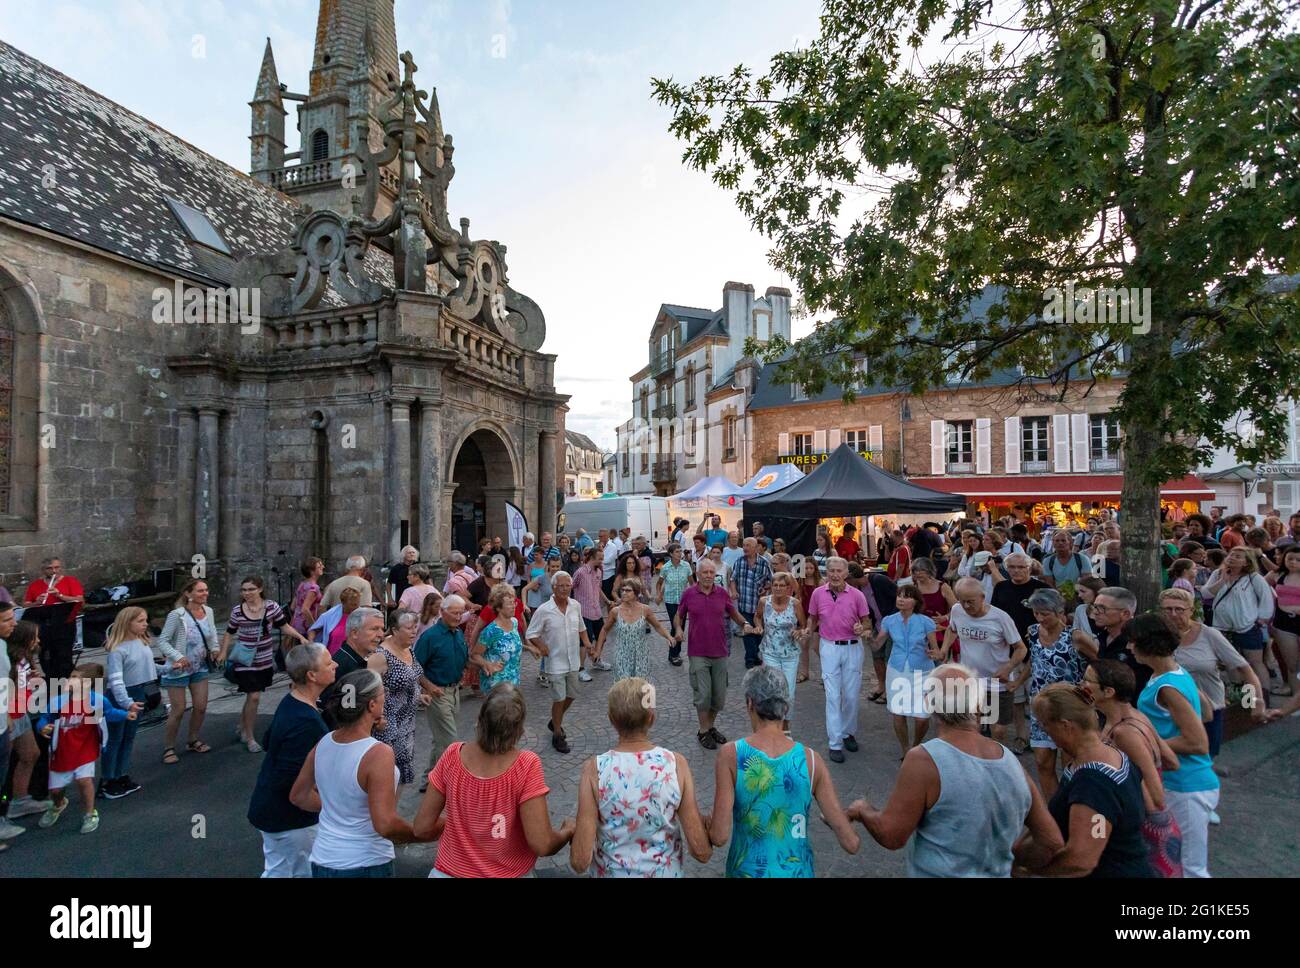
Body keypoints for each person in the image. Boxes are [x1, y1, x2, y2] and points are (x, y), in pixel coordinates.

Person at [849, 664, 1061, 877]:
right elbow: (1051, 842)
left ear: (930, 702)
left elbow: (892, 835)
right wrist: (1010, 862)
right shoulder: (1011, 762)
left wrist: (862, 810)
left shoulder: (923, 759)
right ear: (978, 705)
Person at [710, 666, 860, 876]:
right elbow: (851, 843)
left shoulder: (732, 755)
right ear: (786, 707)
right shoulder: (811, 760)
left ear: (750, 703)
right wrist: (860, 812)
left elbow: (718, 836)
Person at [414, 684, 575, 877]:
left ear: (480, 719)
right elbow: (542, 844)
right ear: (520, 730)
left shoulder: (452, 755)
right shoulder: (526, 765)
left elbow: (422, 828)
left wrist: (462, 825)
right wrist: (568, 830)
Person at [570, 677, 712, 876]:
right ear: (651, 718)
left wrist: (571, 833)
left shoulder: (594, 769)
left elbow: (579, 861)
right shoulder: (675, 764)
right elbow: (701, 852)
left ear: (611, 719)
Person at [291, 669, 424, 877]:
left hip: (323, 858)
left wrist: (340, 807)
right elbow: (385, 824)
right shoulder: (378, 753)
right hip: (365, 861)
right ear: (372, 705)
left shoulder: (324, 742)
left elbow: (299, 796)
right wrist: (420, 833)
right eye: (383, 694)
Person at [1018, 682, 1155, 877]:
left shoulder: (1094, 785)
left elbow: (1082, 860)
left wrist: (1034, 871)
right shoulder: (1114, 753)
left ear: (1065, 726)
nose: (1044, 732)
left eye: (1045, 725)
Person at [1131, 612, 1218, 878]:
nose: (1129, 647)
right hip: (1184, 782)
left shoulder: (1167, 685)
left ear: (1147, 645)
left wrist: (1147, 745)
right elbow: (1206, 712)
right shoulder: (1175, 674)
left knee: (1190, 868)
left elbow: (1197, 742)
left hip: (1187, 785)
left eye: (1132, 641)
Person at [1085, 659, 1183, 877]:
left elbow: (1156, 797)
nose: (1082, 684)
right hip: (1160, 830)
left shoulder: (1124, 733)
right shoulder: (1138, 717)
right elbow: (1171, 761)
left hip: (1145, 834)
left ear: (1108, 691)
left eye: (1087, 680)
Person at [248, 643, 336, 877]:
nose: (335, 665)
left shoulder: (293, 701)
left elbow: (269, 743)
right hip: (289, 820)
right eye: (328, 663)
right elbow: (293, 786)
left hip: (276, 813)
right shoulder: (305, 722)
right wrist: (334, 808)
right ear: (312, 675)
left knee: (279, 871)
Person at [1161, 588, 1267, 760]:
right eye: (1168, 609)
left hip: (1208, 711)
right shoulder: (1157, 636)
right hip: (1169, 710)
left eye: (1179, 609)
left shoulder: (1209, 635)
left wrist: (1255, 700)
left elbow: (1244, 669)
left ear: (1191, 610)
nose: (1173, 614)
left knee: (1203, 759)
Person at [36, 663, 135, 836]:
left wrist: (125, 714)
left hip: (84, 749)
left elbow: (108, 713)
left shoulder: (96, 701)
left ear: (87, 684)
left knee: (84, 781)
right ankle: (58, 804)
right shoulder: (58, 702)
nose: (69, 680)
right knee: (56, 790)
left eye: (75, 677)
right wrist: (43, 727)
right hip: (62, 751)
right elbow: (44, 718)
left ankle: (89, 813)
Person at [220, 576, 309, 754]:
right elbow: (230, 632)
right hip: (245, 659)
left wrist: (300, 636)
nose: (247, 593)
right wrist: (223, 652)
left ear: (260, 589)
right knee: (254, 696)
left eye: (251, 589)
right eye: (244, 590)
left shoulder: (271, 607)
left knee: (251, 695)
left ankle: (243, 725)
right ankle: (250, 737)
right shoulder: (238, 610)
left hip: (264, 659)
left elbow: (283, 626)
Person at [673, 559, 753, 750]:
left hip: (720, 651)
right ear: (698, 574)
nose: (709, 576)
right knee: (703, 695)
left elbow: (733, 612)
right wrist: (678, 629)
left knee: (718, 696)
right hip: (698, 652)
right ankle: (703, 731)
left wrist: (745, 624)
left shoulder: (722, 593)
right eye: (705, 572)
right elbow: (679, 615)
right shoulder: (689, 594)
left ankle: (710, 727)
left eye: (712, 573)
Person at [940, 578, 1027, 744]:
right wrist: (944, 649)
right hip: (970, 681)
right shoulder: (957, 611)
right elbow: (952, 630)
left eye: (971, 602)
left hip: (997, 683)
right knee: (972, 726)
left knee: (999, 730)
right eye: (962, 601)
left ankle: (996, 760)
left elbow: (1021, 648)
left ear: (982, 597)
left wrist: (1008, 667)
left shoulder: (1000, 618)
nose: (966, 606)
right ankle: (977, 758)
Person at [806, 557, 873, 763]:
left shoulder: (857, 595)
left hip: (852, 647)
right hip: (829, 647)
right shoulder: (818, 593)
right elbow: (813, 617)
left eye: (838, 571)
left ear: (846, 574)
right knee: (833, 696)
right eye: (831, 570)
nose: (834, 574)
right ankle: (835, 743)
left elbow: (867, 621)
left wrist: (864, 628)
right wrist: (809, 629)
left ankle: (848, 733)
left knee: (851, 695)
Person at [1022, 588, 1087, 797]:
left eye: (1045, 614)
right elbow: (1034, 659)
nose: (1040, 618)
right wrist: (1019, 681)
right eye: (1036, 613)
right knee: (1041, 761)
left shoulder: (1075, 637)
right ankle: (1054, 808)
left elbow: (1095, 663)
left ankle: (1069, 806)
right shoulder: (1032, 631)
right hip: (1040, 703)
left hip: (1069, 705)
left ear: (1059, 612)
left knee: (1068, 763)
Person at [526, 572, 593, 754]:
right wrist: (541, 646)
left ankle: (554, 720)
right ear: (553, 588)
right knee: (559, 698)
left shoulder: (575, 606)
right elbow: (531, 633)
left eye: (567, 586)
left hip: (573, 661)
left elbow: (582, 628)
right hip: (555, 663)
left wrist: (587, 644)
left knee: (572, 695)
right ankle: (557, 733)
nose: (564, 589)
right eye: (560, 586)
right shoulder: (544, 610)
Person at [157, 578, 219, 764]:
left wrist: (215, 649)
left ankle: (192, 739)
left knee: (200, 707)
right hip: (179, 669)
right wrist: (177, 656)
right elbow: (162, 641)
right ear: (188, 594)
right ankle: (169, 747)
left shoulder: (208, 611)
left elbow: (213, 633)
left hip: (199, 666)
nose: (205, 594)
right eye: (200, 591)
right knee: (178, 709)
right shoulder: (177, 615)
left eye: (206, 590)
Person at [413, 596, 470, 796]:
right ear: (442, 612)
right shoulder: (430, 637)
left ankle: (429, 779)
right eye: (454, 612)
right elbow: (414, 666)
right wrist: (428, 686)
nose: (458, 616)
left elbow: (463, 656)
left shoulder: (457, 633)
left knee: (441, 740)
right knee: (450, 741)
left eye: (460, 613)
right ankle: (454, 784)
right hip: (437, 693)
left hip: (454, 692)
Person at [1204, 547, 1276, 704]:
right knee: (1231, 663)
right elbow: (1206, 594)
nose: (1232, 558)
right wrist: (1223, 580)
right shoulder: (1217, 574)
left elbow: (1266, 598)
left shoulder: (1253, 578)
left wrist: (1262, 618)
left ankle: (1262, 698)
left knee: (1254, 662)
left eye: (1237, 556)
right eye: (1231, 555)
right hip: (1222, 627)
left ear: (1246, 562)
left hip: (1247, 626)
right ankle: (1243, 700)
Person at [101, 608, 159, 799]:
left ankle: (122, 774)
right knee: (115, 738)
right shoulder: (118, 650)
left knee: (129, 737)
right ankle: (108, 779)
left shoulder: (141, 642)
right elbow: (116, 681)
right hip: (122, 696)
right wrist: (127, 703)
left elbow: (149, 667)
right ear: (127, 623)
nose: (145, 624)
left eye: (145, 620)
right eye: (140, 621)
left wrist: (169, 668)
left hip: (139, 692)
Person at [876, 585, 940, 758]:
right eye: (899, 596)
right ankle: (905, 748)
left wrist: (934, 653)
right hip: (896, 669)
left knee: (922, 717)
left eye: (906, 597)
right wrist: (866, 636)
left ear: (916, 602)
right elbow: (877, 645)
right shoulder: (889, 620)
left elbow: (937, 651)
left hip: (922, 671)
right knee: (898, 713)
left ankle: (916, 744)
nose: (901, 599)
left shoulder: (926, 621)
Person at [3, 619, 52, 823]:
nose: (38, 640)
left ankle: (20, 800)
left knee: (31, 754)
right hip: (10, 714)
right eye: (35, 636)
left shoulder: (24, 659)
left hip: (20, 711)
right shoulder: (10, 660)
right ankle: (8, 806)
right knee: (3, 763)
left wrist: (30, 680)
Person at [374, 610, 427, 785]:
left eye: (415, 627)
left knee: (403, 774)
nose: (414, 632)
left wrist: (419, 695)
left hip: (408, 722)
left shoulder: (408, 649)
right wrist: (378, 718)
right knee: (388, 775)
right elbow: (370, 690)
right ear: (395, 630)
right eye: (409, 628)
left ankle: (392, 811)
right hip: (389, 725)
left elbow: (412, 677)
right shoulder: (381, 656)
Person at [751, 571, 806, 731]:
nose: (778, 588)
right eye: (775, 585)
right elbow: (757, 616)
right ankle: (772, 726)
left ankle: (786, 726)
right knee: (773, 689)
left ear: (788, 588)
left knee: (788, 692)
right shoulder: (764, 601)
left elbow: (802, 625)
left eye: (782, 585)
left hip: (790, 653)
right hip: (770, 651)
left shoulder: (795, 604)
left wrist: (799, 631)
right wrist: (758, 625)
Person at [593, 578, 673, 684]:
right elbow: (604, 630)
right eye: (623, 590)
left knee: (639, 688)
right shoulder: (615, 611)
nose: (624, 593)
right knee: (624, 688)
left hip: (641, 655)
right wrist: (598, 651)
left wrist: (669, 636)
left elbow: (657, 626)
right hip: (621, 655)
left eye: (628, 590)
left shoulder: (645, 609)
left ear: (636, 592)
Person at [319, 607, 388, 727]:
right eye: (374, 629)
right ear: (354, 633)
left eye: (382, 629)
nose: (381, 635)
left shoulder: (355, 660)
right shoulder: (342, 665)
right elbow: (338, 715)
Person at [1071, 585, 1147, 693]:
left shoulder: (1139, 643)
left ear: (1125, 614)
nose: (1096, 612)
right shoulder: (1103, 636)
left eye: (1102, 608)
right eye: (1095, 606)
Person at [23, 557, 85, 679]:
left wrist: (60, 595)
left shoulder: (70, 581)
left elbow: (80, 600)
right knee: (45, 656)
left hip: (65, 625)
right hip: (44, 626)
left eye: (57, 567)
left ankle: (66, 683)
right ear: (43, 570)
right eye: (50, 568)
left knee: (64, 655)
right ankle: (51, 681)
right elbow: (25, 605)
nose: (54, 571)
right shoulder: (35, 585)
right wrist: (36, 602)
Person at [472, 584, 542, 692]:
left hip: (513, 681)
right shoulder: (491, 631)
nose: (514, 606)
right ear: (498, 607)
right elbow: (474, 655)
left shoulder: (514, 622)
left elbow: (510, 644)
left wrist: (529, 648)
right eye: (509, 603)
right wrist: (487, 664)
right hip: (495, 684)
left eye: (514, 602)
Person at [730, 537, 774, 669]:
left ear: (755, 548)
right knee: (748, 631)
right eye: (743, 545)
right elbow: (733, 579)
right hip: (744, 603)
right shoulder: (739, 562)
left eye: (748, 545)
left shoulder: (764, 563)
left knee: (759, 632)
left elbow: (771, 581)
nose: (745, 548)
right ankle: (750, 658)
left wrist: (765, 588)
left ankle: (754, 655)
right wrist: (733, 591)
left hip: (759, 605)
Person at [572, 547, 611, 682]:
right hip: (583, 612)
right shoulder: (580, 572)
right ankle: (581, 669)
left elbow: (598, 588)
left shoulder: (599, 572)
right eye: (600, 558)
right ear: (592, 558)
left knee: (602, 637)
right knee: (584, 642)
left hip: (596, 611)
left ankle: (596, 660)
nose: (602, 561)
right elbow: (571, 587)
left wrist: (607, 601)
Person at [1268, 547, 1300, 701]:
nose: (1293, 562)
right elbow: (1258, 585)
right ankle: (1296, 697)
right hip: (1283, 624)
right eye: (1290, 559)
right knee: (1291, 665)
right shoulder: (1277, 574)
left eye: (1298, 559)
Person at [656, 542, 695, 667]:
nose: (680, 553)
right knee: (675, 626)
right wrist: (659, 595)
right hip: (671, 601)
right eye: (677, 551)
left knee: (681, 626)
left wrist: (695, 596)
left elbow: (692, 583)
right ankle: (674, 654)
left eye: (681, 551)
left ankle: (675, 652)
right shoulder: (665, 567)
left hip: (684, 601)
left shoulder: (686, 566)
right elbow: (658, 583)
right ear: (671, 554)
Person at [310, 586, 363, 656]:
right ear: (343, 603)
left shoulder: (361, 615)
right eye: (352, 604)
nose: (356, 607)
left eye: (357, 604)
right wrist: (311, 643)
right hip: (331, 656)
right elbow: (313, 630)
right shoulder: (330, 615)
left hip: (353, 656)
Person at [796, 556, 822, 683]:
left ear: (815, 569)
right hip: (804, 616)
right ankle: (804, 672)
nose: (808, 570)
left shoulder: (820, 583)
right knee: (803, 645)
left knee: (817, 647)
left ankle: (827, 671)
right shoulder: (800, 582)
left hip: (817, 617)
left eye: (811, 568)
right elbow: (799, 599)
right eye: (806, 568)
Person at [290, 557, 325, 639]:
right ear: (312, 571)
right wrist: (314, 627)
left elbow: (293, 607)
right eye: (319, 566)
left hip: (296, 624)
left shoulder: (302, 584)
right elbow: (305, 609)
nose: (323, 567)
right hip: (306, 627)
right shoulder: (314, 588)